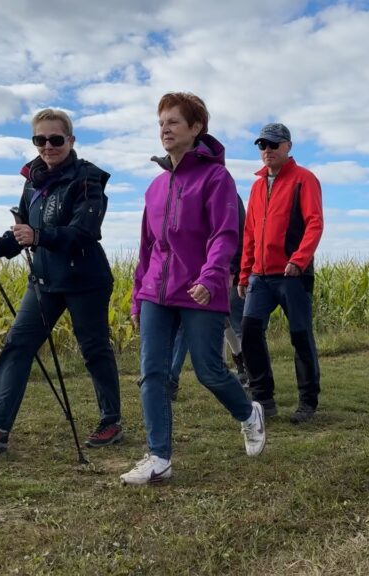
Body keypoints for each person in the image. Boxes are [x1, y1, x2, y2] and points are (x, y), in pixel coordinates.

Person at [0, 108, 124, 452]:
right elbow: (23, 231)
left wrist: (39, 236)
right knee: (18, 344)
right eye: (40, 140)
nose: (48, 146)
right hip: (44, 279)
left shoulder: (88, 179)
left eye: (55, 139)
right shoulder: (33, 181)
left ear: (70, 140)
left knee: (94, 350)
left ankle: (110, 421)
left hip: (86, 279)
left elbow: (85, 232)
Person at [123, 92, 266, 486]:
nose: (165, 129)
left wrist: (209, 276)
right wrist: (138, 296)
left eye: (173, 122)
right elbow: (147, 247)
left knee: (209, 370)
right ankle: (158, 458)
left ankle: (248, 414)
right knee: (152, 373)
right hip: (156, 292)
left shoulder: (216, 178)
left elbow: (225, 234)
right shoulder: (155, 187)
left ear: (196, 128)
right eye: (161, 123)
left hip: (200, 290)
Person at [238, 123, 324, 424]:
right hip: (260, 277)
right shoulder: (257, 186)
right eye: (262, 145)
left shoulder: (305, 180)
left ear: (288, 146)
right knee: (249, 330)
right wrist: (244, 273)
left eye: (273, 144)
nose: (267, 150)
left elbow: (314, 223)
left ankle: (308, 402)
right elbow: (249, 232)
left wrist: (298, 260)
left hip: (293, 275)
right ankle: (263, 398)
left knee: (300, 335)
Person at [167, 194, 249, 400]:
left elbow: (237, 234)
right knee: (188, 326)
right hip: (191, 275)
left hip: (222, 272)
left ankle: (242, 367)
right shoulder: (182, 194)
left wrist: (232, 269)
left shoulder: (226, 193)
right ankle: (171, 379)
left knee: (231, 323)